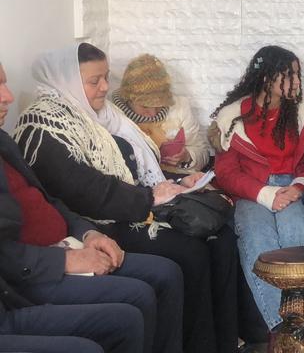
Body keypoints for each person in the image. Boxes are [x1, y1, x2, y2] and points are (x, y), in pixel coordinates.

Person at [12, 43, 241, 353]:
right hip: (103, 218)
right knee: (191, 251)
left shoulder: (104, 114)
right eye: (94, 81)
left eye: (106, 77)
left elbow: (134, 168)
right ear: (67, 81)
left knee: (221, 236)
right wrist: (149, 197)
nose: (105, 87)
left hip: (130, 203)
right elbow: (84, 191)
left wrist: (175, 181)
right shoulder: (45, 125)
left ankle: (223, 343)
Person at [0, 58, 183, 353]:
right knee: (134, 303)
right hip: (32, 271)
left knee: (167, 272)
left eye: (5, 83)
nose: (8, 95)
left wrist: (88, 234)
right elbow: (87, 190)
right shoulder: (43, 128)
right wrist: (65, 260)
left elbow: (48, 201)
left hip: (67, 241)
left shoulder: (4, 142)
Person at [211, 45, 304, 338]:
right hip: (252, 192)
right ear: (266, 78)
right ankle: (283, 330)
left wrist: (297, 186)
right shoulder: (232, 117)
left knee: (297, 233)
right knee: (258, 238)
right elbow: (227, 173)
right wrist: (267, 195)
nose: (296, 82)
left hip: (294, 188)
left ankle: (303, 324)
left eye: (297, 74)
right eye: (288, 75)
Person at [113, 54, 212, 172]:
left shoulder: (180, 108)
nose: (153, 114)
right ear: (129, 100)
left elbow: (203, 152)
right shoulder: (113, 115)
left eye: (158, 105)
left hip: (179, 179)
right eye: (145, 106)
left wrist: (186, 157)